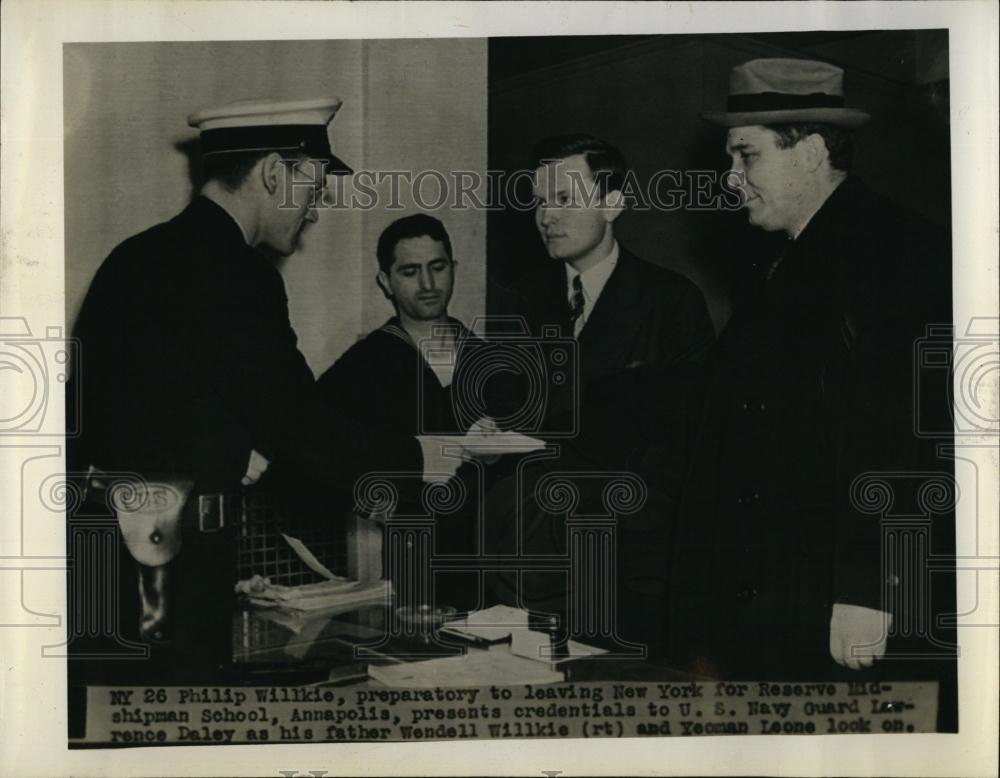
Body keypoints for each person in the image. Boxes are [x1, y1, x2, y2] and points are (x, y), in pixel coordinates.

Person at [67, 98, 464, 682]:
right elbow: (299, 424)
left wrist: (229, 451)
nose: (314, 211)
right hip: (178, 568)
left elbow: (126, 411)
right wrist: (419, 457)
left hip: (107, 567)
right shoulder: (238, 271)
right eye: (314, 187)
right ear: (276, 173)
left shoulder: (136, 256)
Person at [667, 58, 955, 719]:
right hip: (784, 590)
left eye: (746, 155)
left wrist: (870, 586)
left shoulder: (900, 249)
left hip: (842, 602)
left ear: (814, 150)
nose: (729, 178)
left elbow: (908, 429)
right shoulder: (788, 258)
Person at [505, 134, 715, 431]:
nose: (546, 217)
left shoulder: (672, 300)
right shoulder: (520, 298)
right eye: (540, 201)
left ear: (612, 205)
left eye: (564, 199)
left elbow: (692, 423)